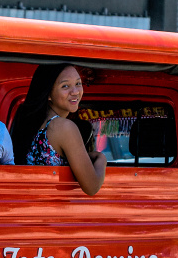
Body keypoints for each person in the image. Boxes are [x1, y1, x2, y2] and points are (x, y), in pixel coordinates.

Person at [9, 63, 106, 195]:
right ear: (48, 94)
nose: (75, 92)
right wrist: (101, 159)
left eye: (78, 83)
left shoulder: (33, 125)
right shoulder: (64, 127)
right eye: (65, 86)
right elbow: (92, 186)